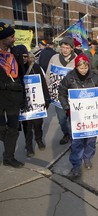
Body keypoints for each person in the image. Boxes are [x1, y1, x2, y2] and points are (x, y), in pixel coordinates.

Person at [58, 54, 98, 177]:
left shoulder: (95, 78)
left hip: (91, 115)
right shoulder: (69, 78)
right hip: (75, 116)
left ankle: (87, 157)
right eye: (80, 68)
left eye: (85, 67)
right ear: (76, 67)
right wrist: (66, 106)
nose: (83, 70)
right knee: (76, 141)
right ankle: (76, 164)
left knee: (90, 139)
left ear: (88, 66)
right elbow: (61, 93)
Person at [16, 45, 50, 157]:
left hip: (37, 102)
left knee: (37, 123)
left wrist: (46, 98)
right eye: (21, 56)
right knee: (27, 126)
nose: (24, 58)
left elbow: (43, 84)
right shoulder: (15, 68)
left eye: (25, 56)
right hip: (23, 103)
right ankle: (29, 145)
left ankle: (39, 139)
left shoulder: (35, 67)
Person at [0, 22, 25, 168]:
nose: (14, 39)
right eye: (11, 36)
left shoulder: (15, 52)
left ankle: (8, 157)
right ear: (2, 38)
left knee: (13, 129)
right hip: (0, 98)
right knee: (2, 129)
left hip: (14, 99)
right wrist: (6, 85)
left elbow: (20, 75)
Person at [46, 36, 76, 145]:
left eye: (67, 48)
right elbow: (48, 74)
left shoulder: (76, 59)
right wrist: (47, 89)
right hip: (58, 95)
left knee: (73, 119)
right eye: (63, 47)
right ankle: (66, 133)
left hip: (71, 95)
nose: (64, 50)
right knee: (62, 118)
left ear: (72, 48)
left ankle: (74, 138)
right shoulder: (54, 58)